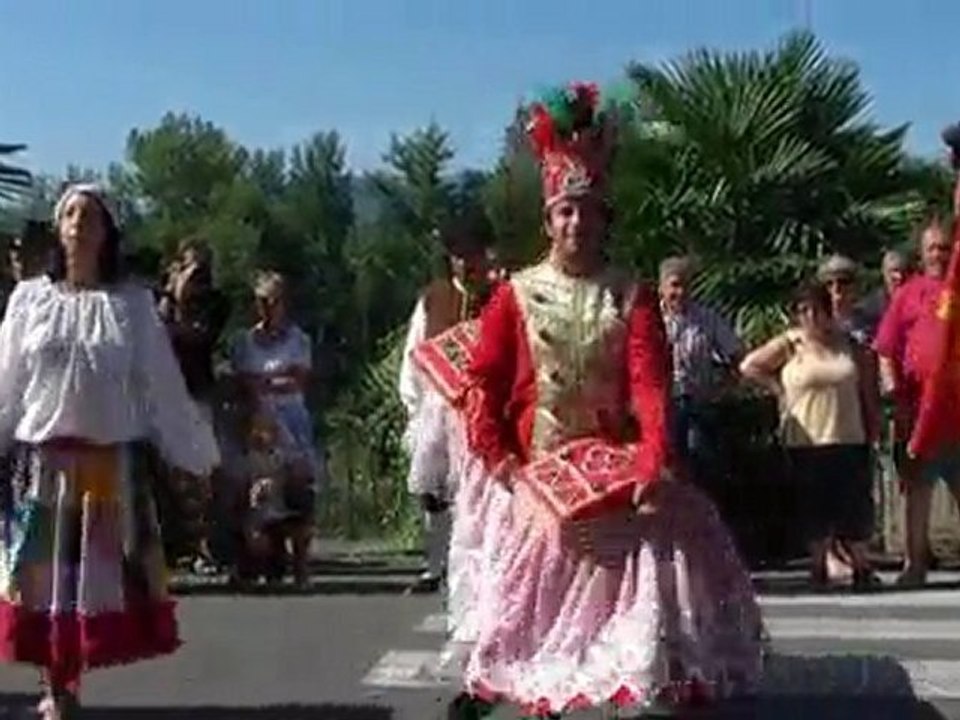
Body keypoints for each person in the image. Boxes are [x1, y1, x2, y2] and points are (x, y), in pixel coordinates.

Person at [431, 83, 764, 719]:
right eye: (565, 212)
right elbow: (484, 383)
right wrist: (500, 460)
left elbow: (649, 383)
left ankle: (662, 672)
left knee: (667, 537)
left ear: (604, 219)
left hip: (617, 468)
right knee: (532, 595)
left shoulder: (631, 294)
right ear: (547, 221)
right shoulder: (516, 297)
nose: (576, 224)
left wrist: (654, 459)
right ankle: (505, 685)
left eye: (587, 211)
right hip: (539, 472)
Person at [0, 184, 219, 719]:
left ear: (108, 232)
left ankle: (69, 685)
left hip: (107, 464)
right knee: (44, 581)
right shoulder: (31, 300)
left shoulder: (132, 305)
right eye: (71, 213)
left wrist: (193, 453)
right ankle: (57, 687)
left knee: (89, 586)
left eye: (92, 216)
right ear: (58, 227)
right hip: (43, 460)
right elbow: (7, 378)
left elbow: (159, 385)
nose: (80, 223)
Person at [740, 281, 881, 590]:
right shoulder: (791, 344)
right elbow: (749, 366)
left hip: (847, 436)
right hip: (805, 439)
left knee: (853, 505)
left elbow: (867, 388)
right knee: (812, 506)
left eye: (817, 310)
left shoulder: (849, 345)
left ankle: (861, 566)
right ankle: (818, 567)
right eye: (804, 311)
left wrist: (874, 427)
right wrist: (778, 390)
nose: (812, 317)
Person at [398, 209, 496, 593]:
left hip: (483, 411)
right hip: (439, 408)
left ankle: (476, 562)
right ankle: (435, 564)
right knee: (433, 491)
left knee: (478, 491)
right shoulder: (434, 298)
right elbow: (415, 352)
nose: (465, 261)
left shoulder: (499, 297)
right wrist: (415, 407)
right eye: (458, 254)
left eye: (471, 253)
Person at [874, 215, 960, 586]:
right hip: (919, 410)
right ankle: (915, 564)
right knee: (917, 490)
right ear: (922, 254)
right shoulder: (909, 293)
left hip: (957, 409)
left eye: (944, 247)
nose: (938, 255)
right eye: (932, 248)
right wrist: (892, 390)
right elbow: (886, 348)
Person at [230, 270, 317, 585]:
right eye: (263, 301)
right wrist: (274, 381)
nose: (269, 307)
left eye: (275, 301)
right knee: (256, 492)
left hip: (293, 422)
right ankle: (258, 561)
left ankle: (301, 563)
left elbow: (299, 379)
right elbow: (244, 381)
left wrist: (267, 382)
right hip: (258, 424)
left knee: (298, 488)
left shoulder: (299, 340)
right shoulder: (245, 341)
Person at [658, 255, 742, 483]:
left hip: (699, 403)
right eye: (675, 285)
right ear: (662, 288)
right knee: (666, 469)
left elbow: (736, 354)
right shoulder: (651, 320)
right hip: (662, 407)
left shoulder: (707, 319)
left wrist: (725, 387)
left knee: (699, 464)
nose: (681, 292)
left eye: (686, 285)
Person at [856, 249, 909, 341]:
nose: (899, 276)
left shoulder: (914, 301)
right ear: (884, 272)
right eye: (894, 271)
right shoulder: (870, 306)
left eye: (903, 271)